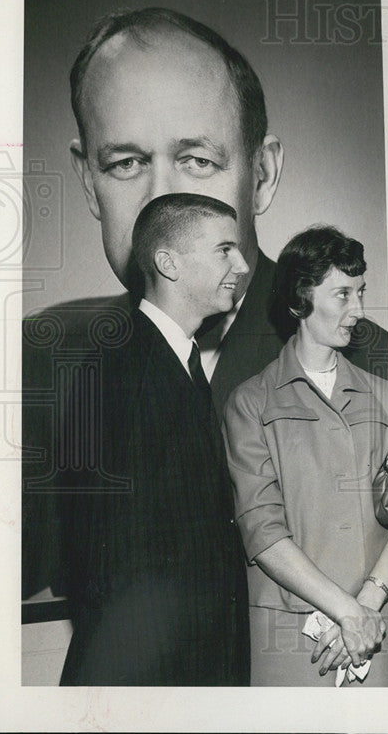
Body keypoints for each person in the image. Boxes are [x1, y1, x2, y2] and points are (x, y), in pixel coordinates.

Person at [21, 6, 388, 599]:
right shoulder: (37, 363)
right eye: (126, 163)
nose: (161, 202)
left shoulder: (365, 361)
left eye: (197, 161)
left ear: (262, 175)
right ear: (88, 181)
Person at [222, 226, 388, 686]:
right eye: (342, 295)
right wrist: (344, 611)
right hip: (290, 628)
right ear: (300, 300)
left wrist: (367, 606)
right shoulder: (251, 403)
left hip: (374, 626)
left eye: (361, 293)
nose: (358, 310)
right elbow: (261, 529)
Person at [59, 193, 250, 685]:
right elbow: (102, 553)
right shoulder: (116, 368)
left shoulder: (175, 362)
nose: (243, 264)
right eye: (224, 250)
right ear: (168, 263)